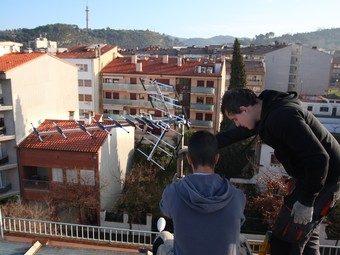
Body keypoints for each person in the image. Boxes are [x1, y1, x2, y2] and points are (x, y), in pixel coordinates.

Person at [216, 88, 340, 255]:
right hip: (315, 177)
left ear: (245, 109)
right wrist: (209, 143)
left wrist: (307, 200)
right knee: (307, 239)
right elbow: (242, 131)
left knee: (285, 241)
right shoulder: (267, 109)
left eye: (235, 119)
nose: (237, 124)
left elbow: (319, 158)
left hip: (322, 180)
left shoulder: (282, 117)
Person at [156, 130, 246, 255]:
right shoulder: (237, 196)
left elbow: (165, 209)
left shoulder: (173, 193)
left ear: (188, 158)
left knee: (163, 238)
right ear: (216, 158)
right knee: (242, 240)